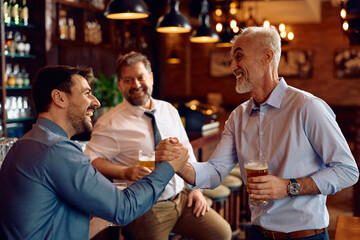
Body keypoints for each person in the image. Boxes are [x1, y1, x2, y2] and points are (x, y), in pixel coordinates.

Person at [156, 26, 360, 240]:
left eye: (239, 56)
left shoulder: (307, 107)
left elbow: (347, 171)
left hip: (305, 236)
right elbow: (214, 172)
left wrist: (288, 187)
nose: (233, 66)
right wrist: (178, 163)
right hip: (258, 234)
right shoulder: (238, 117)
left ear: (267, 57)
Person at [0, 65, 189, 240]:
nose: (96, 102)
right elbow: (123, 209)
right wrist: (170, 166)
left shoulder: (26, 143)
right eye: (87, 93)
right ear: (59, 98)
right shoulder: (56, 150)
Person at [84, 51, 232, 240]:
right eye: (128, 80)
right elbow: (90, 161)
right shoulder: (109, 122)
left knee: (222, 234)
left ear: (151, 78)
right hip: (147, 208)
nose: (136, 85)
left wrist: (196, 189)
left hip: (182, 197)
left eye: (140, 77)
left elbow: (187, 151)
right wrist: (125, 172)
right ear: (120, 85)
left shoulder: (169, 109)